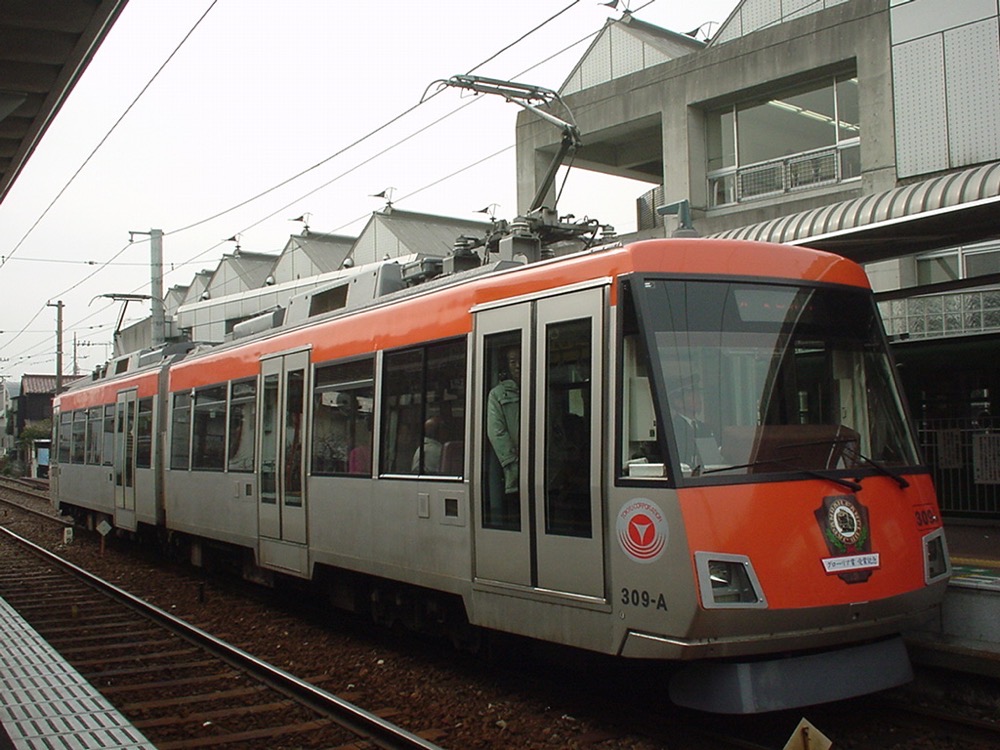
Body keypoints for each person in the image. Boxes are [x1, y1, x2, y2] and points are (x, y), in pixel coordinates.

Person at [487, 346, 520, 495]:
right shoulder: (497, 394)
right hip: (515, 469)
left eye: (520, 360)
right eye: (513, 362)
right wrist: (513, 465)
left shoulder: (541, 388)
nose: (518, 366)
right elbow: (497, 432)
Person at [670, 374, 715, 470]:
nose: (698, 398)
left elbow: (712, 459)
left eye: (698, 393)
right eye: (691, 394)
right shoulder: (673, 428)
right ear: (677, 401)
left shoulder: (704, 428)